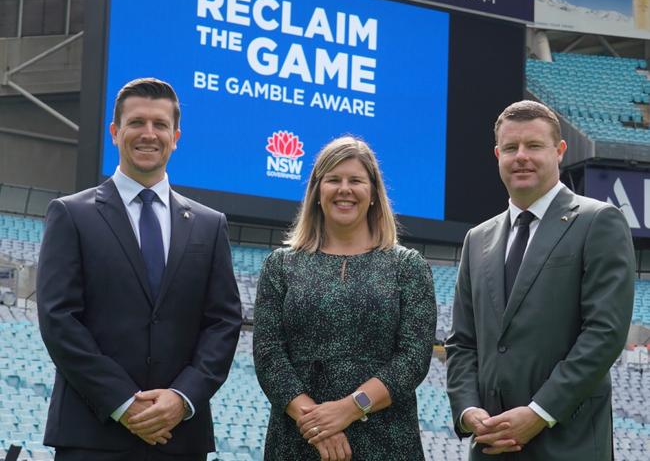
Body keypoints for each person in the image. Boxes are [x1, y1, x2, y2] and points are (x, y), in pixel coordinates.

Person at [36, 78, 242, 461]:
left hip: (180, 437)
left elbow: (224, 323)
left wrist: (182, 398)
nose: (149, 134)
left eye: (160, 125)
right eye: (136, 123)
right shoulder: (71, 214)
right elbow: (58, 319)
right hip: (92, 435)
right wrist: (122, 402)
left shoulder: (210, 225)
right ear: (115, 132)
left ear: (175, 136)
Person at [445, 100, 635, 460]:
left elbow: (604, 333)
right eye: (511, 148)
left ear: (559, 151)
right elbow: (462, 342)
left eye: (534, 146)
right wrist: (469, 412)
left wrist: (539, 413)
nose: (521, 157)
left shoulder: (598, 221)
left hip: (569, 442)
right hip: (491, 445)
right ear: (497, 154)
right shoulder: (477, 239)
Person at [253, 136, 436, 460]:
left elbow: (413, 358)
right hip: (299, 438)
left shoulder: (408, 267)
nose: (344, 189)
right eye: (333, 180)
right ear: (317, 192)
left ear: (373, 194)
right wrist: (315, 421)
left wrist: (352, 408)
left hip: (387, 440)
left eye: (355, 180)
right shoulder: (280, 265)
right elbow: (268, 354)